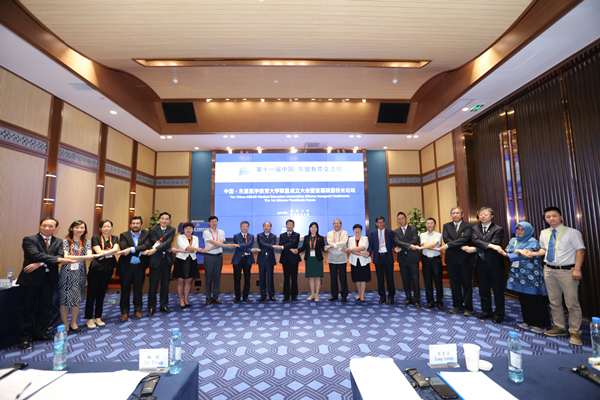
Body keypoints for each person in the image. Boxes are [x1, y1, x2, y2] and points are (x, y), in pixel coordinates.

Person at [520, 206, 585, 346]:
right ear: (545, 219)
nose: (551, 218)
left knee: (572, 303)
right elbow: (544, 250)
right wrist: (532, 253)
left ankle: (575, 332)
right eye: (548, 217)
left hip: (567, 271)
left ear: (561, 217)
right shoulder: (544, 232)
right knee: (554, 301)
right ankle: (559, 327)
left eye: (554, 216)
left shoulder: (572, 232)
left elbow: (580, 251)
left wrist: (577, 269)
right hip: (549, 270)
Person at [17, 218, 74, 349]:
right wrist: (48, 260)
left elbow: (60, 256)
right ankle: (24, 338)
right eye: (44, 225)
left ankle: (41, 333)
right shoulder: (29, 239)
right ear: (40, 226)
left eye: (50, 226)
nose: (47, 228)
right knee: (27, 309)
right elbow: (35, 255)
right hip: (31, 279)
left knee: (45, 307)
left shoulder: (59, 242)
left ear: (56, 228)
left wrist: (41, 263)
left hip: (49, 279)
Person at [495, 222, 550, 333]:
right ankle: (528, 321)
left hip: (531, 274)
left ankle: (540, 324)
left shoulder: (532, 241)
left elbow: (525, 254)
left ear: (528, 230)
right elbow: (508, 250)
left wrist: (516, 251)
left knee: (535, 298)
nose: (519, 231)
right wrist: (516, 251)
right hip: (518, 274)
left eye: (522, 229)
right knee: (524, 298)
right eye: (518, 229)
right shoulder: (513, 240)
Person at [462, 207, 505, 323]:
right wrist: (488, 246)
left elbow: (495, 243)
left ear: (492, 216)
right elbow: (476, 240)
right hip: (480, 262)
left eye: (486, 214)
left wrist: (475, 249)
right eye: (481, 214)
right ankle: (487, 311)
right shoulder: (475, 228)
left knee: (498, 290)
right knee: (483, 289)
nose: (483, 216)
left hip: (495, 263)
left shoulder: (498, 229)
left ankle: (499, 314)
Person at [60, 220, 95, 333]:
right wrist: (83, 257)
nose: (79, 230)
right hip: (66, 273)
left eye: (82, 228)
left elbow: (89, 257)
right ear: (71, 229)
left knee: (77, 298)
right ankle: (65, 323)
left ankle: (73, 323)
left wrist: (72, 258)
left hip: (80, 272)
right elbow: (65, 257)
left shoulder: (87, 242)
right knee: (64, 299)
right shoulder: (65, 242)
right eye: (77, 227)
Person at [85, 219, 120, 329]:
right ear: (100, 228)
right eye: (104, 226)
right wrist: (109, 251)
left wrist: (104, 252)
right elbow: (98, 251)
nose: (106, 228)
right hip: (96, 269)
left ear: (111, 227)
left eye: (108, 226)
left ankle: (98, 316)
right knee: (92, 294)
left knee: (101, 294)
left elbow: (116, 250)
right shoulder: (95, 238)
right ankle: (89, 318)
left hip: (108, 269)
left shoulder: (114, 238)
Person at [440, 206, 474, 316]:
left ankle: (468, 308)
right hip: (451, 259)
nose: (455, 215)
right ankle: (458, 306)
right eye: (453, 213)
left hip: (465, 259)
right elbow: (446, 239)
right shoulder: (446, 226)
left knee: (467, 284)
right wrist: (455, 244)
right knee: (454, 284)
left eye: (457, 213)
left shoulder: (468, 226)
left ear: (462, 215)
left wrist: (450, 245)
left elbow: (465, 239)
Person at [117, 216, 151, 321]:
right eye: (133, 223)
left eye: (137, 223)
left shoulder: (146, 235)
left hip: (140, 267)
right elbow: (124, 247)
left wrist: (131, 249)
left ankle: (138, 310)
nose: (135, 225)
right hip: (126, 267)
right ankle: (124, 312)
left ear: (141, 225)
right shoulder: (124, 235)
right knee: (125, 290)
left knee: (138, 289)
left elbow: (146, 245)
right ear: (130, 225)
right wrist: (140, 251)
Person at [171, 222, 209, 309]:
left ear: (193, 230)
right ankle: (181, 300)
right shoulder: (180, 237)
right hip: (181, 260)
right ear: (183, 230)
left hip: (192, 260)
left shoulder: (195, 238)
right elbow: (185, 247)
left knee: (188, 281)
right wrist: (196, 249)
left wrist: (185, 250)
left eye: (190, 228)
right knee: (180, 281)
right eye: (186, 228)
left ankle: (186, 299)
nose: (188, 230)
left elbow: (193, 251)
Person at [146, 212, 176, 316]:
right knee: (153, 284)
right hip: (155, 260)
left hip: (167, 260)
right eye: (162, 218)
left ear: (169, 220)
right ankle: (151, 307)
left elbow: (168, 242)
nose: (164, 221)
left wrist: (156, 249)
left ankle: (164, 305)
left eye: (167, 219)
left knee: (165, 284)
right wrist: (166, 247)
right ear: (159, 220)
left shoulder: (172, 229)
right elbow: (155, 241)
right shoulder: (153, 229)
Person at [203, 215, 236, 305]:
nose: (214, 223)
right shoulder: (206, 232)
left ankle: (215, 297)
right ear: (209, 223)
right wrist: (225, 245)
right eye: (212, 221)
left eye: (215, 221)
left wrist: (210, 248)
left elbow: (220, 243)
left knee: (217, 277)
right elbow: (214, 242)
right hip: (209, 257)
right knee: (208, 278)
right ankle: (208, 297)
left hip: (219, 256)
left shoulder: (221, 232)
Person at [393, 212, 422, 308]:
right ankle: (409, 298)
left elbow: (414, 240)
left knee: (415, 280)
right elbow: (397, 241)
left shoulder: (414, 229)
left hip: (413, 258)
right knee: (405, 280)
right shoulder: (396, 231)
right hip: (402, 259)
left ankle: (416, 300)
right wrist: (409, 246)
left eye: (402, 218)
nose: (401, 220)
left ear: (406, 219)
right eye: (399, 219)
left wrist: (402, 246)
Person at [417, 218, 445, 310]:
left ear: (435, 225)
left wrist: (421, 248)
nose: (429, 225)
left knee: (438, 281)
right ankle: (430, 301)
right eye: (427, 223)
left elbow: (432, 244)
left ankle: (439, 302)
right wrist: (435, 248)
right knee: (427, 281)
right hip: (426, 260)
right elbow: (426, 245)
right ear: (426, 225)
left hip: (436, 260)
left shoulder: (438, 234)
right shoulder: (422, 235)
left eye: (431, 223)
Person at [295, 222, 326, 301]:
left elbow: (323, 248)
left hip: (317, 260)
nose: (313, 229)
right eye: (312, 227)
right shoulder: (306, 237)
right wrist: (297, 250)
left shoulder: (320, 238)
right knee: (311, 278)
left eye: (315, 227)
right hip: (309, 259)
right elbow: (304, 247)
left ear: (317, 229)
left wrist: (326, 248)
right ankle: (312, 294)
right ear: (309, 228)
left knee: (317, 277)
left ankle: (317, 294)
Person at [367, 216, 396, 304]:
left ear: (384, 223)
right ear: (376, 224)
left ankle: (391, 297)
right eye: (379, 222)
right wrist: (368, 252)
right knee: (380, 278)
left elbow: (393, 243)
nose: (381, 224)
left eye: (382, 222)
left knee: (390, 278)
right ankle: (382, 296)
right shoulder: (373, 233)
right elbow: (371, 245)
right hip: (378, 257)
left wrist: (395, 249)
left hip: (387, 257)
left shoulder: (390, 232)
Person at [231, 221, 260, 302]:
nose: (244, 228)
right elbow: (241, 247)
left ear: (248, 227)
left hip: (247, 259)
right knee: (237, 279)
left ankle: (245, 296)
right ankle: (237, 296)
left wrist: (239, 245)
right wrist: (250, 250)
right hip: (238, 259)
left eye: (246, 226)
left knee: (247, 279)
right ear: (240, 227)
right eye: (243, 226)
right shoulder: (236, 236)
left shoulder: (251, 236)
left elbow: (247, 244)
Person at [343, 224, 371, 303]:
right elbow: (352, 251)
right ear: (353, 230)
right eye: (355, 229)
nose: (357, 231)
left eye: (359, 229)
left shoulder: (365, 238)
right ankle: (359, 294)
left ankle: (362, 295)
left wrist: (351, 249)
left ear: (361, 230)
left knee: (363, 279)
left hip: (364, 261)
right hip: (354, 261)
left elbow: (363, 247)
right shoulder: (350, 239)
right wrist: (362, 254)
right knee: (357, 279)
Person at [324, 219, 349, 302]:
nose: (336, 225)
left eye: (338, 223)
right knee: (333, 278)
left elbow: (343, 243)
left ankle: (344, 295)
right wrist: (337, 247)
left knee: (343, 278)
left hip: (342, 258)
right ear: (333, 225)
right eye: (335, 223)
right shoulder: (329, 233)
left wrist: (331, 246)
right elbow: (330, 242)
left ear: (341, 225)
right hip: (332, 259)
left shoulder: (345, 233)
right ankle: (334, 295)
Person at [277, 219, 301, 301]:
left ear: (293, 226)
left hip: (294, 259)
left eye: (291, 225)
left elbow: (294, 243)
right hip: (285, 259)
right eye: (288, 224)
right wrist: (290, 248)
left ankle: (294, 296)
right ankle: (286, 296)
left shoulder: (296, 235)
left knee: (294, 278)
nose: (290, 226)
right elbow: (280, 245)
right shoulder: (282, 235)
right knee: (286, 278)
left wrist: (284, 247)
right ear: (286, 226)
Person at [256, 221, 277, 301]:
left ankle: (271, 294)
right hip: (261, 259)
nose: (266, 227)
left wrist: (268, 247)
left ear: (270, 227)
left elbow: (271, 245)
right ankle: (263, 294)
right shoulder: (259, 235)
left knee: (270, 277)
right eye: (265, 226)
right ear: (263, 227)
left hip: (270, 259)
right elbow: (261, 244)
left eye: (268, 226)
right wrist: (271, 246)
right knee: (262, 277)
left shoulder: (273, 236)